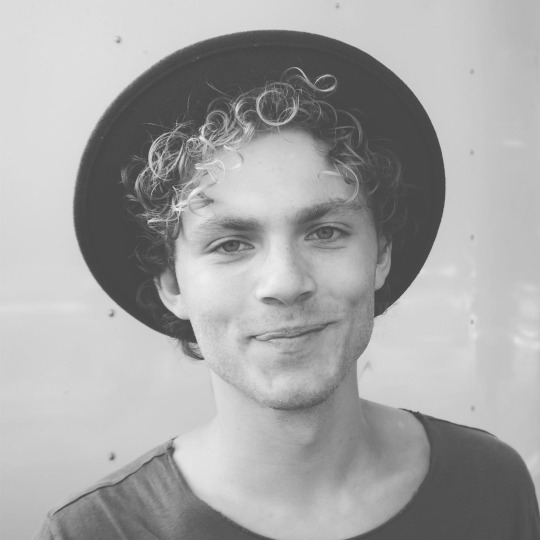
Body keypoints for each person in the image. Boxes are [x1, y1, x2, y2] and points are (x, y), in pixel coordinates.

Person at [34, 31, 539, 539]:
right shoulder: (95, 532)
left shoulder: (490, 484)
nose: (285, 282)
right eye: (231, 243)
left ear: (380, 256)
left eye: (325, 232)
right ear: (173, 285)